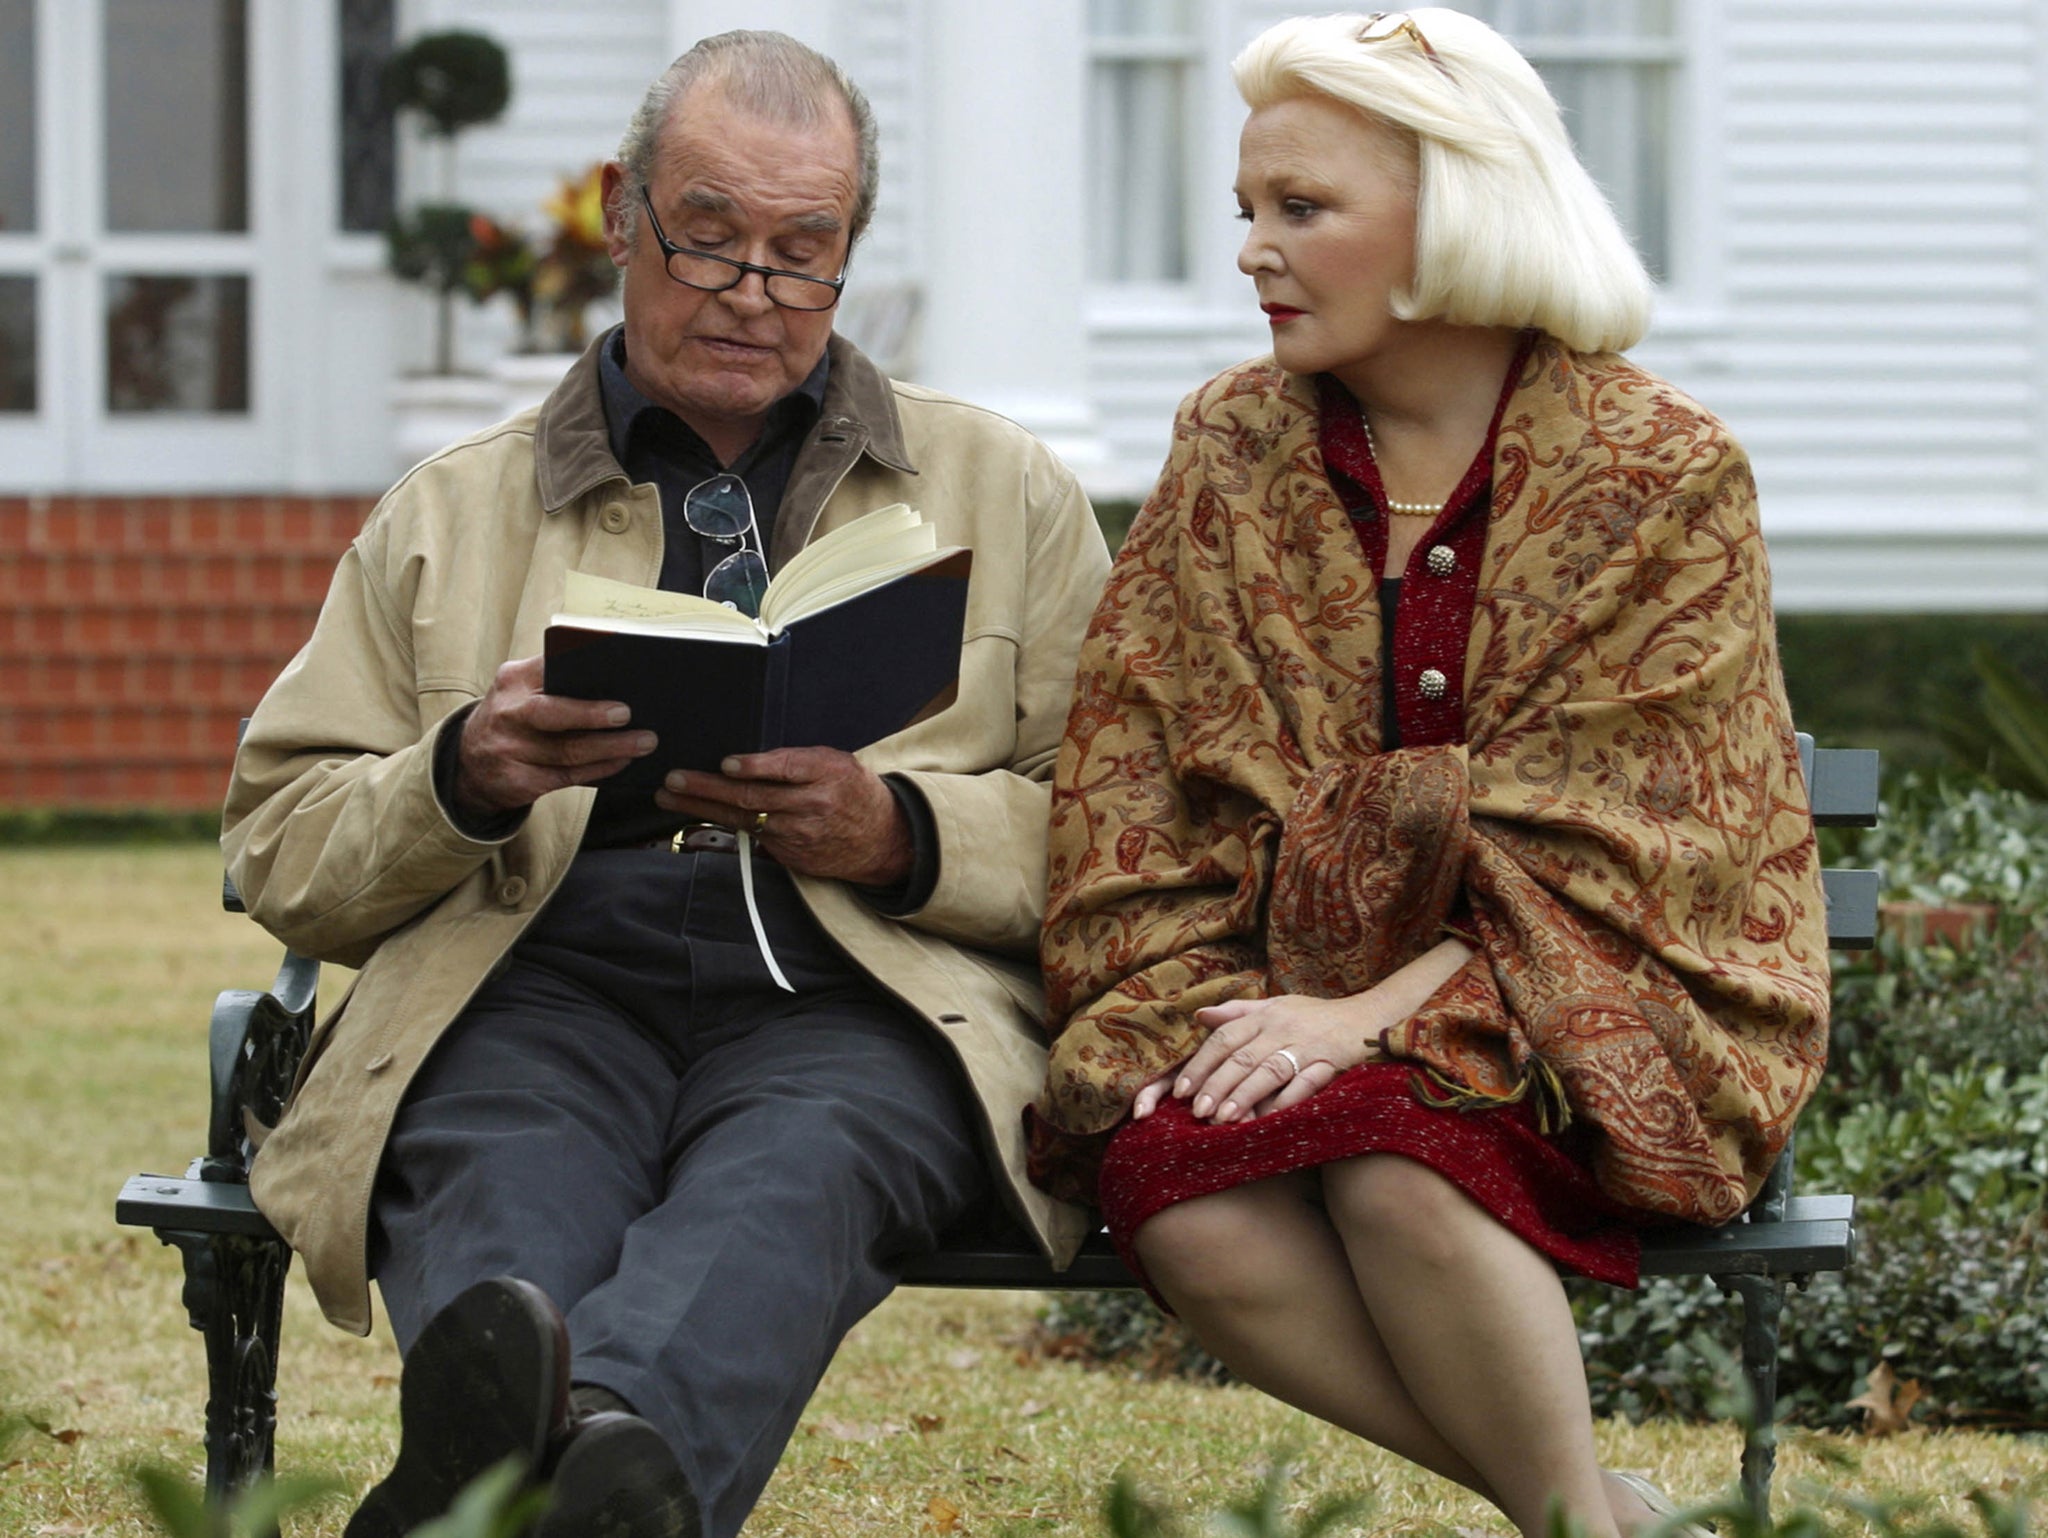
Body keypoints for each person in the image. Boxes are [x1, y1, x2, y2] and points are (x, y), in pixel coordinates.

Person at [223, 30, 1106, 1538]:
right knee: (500, 1204)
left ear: (848, 257)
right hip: (535, 978)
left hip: (856, 990)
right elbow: (279, 848)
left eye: (800, 254)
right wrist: (465, 775)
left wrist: (900, 830)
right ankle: (610, 1470)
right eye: (706, 240)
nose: (749, 296)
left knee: (803, 1171)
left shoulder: (1002, 490)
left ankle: (530, 1478)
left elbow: (1117, 833)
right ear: (626, 216)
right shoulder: (455, 509)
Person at [1028, 12, 1831, 1538]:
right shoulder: (1229, 446)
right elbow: (1142, 762)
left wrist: (1366, 1015)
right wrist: (1283, 999)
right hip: (1275, 971)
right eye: (1247, 212)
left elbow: (1644, 848)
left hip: (1599, 1002)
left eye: (1302, 209)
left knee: (1402, 1164)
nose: (1254, 251)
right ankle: (1597, 1512)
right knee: (1180, 1193)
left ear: (1454, 213)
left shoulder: (1662, 474)